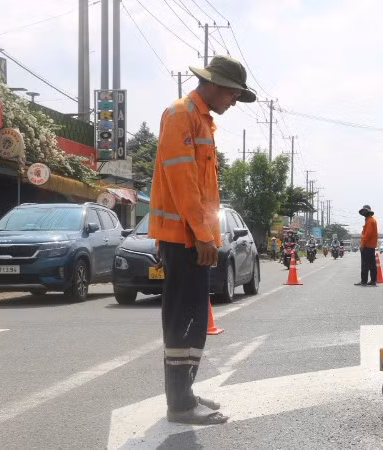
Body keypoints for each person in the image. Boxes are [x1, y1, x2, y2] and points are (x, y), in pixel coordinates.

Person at [148, 55, 256, 425]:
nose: (233, 102)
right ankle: (179, 405)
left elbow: (203, 190)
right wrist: (202, 235)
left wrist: (206, 234)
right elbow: (184, 184)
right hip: (184, 240)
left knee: (193, 320)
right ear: (215, 85)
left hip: (192, 238)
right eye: (232, 95)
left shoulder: (203, 121)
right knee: (183, 321)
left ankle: (186, 394)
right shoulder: (181, 114)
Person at [355, 205, 379, 286]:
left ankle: (364, 281)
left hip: (367, 246)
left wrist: (362, 245)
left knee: (365, 264)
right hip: (371, 246)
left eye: (365, 212)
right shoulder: (371, 220)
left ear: (368, 212)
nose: (364, 213)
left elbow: (367, 234)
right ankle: (373, 281)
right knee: (372, 264)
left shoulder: (370, 221)